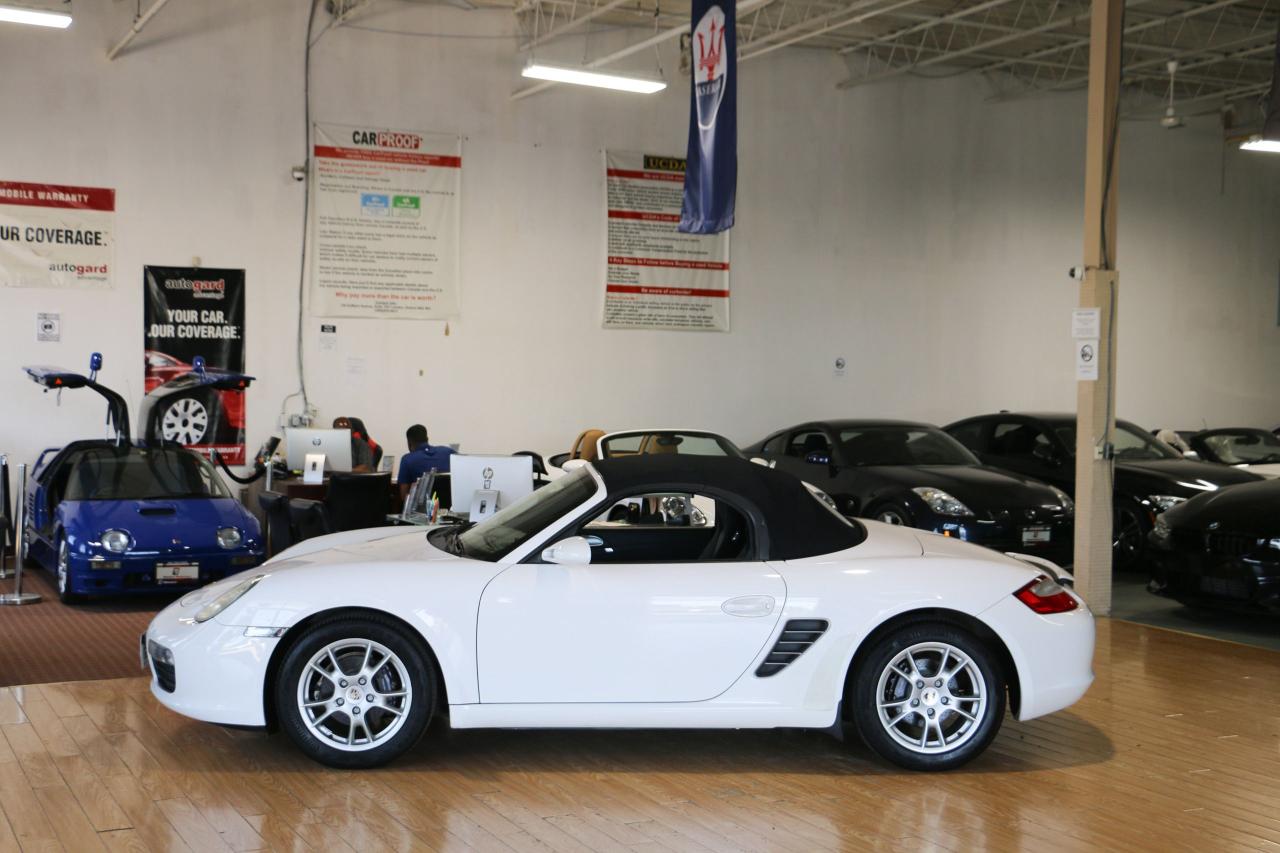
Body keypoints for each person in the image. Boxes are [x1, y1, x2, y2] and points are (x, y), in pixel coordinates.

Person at [397, 424, 455, 500]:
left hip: (423, 509)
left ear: (409, 443)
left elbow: (404, 496)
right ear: (427, 439)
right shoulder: (448, 452)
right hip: (450, 508)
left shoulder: (407, 459)